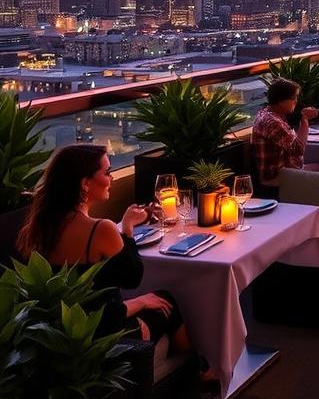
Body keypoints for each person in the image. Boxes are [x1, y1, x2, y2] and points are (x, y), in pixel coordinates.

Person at [16, 145, 193, 351]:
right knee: (166, 302)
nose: (112, 179)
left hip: (62, 335)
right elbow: (132, 278)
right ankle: (198, 373)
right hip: (105, 337)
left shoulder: (38, 229)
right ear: (85, 184)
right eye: (107, 173)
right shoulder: (100, 230)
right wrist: (127, 228)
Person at [251, 78, 319, 187]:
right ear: (281, 100)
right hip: (277, 179)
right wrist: (305, 120)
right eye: (294, 97)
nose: (296, 101)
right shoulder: (272, 123)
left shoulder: (269, 114)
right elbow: (299, 149)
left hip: (287, 171)